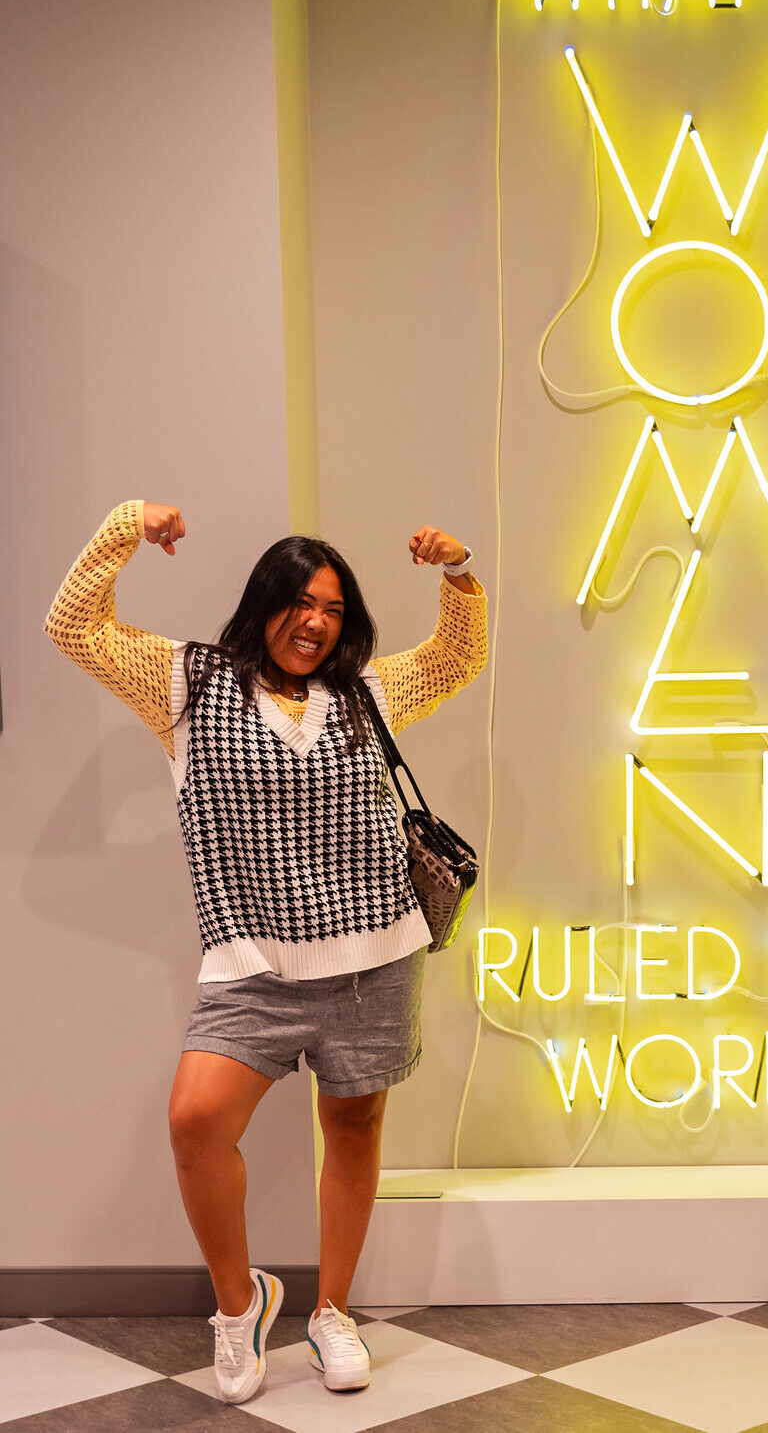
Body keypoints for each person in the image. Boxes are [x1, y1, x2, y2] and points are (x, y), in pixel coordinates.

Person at [45, 500, 487, 1404]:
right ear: (264, 602)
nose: (316, 621)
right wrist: (130, 523)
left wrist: (458, 573)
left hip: (374, 956)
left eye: (332, 608)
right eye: (299, 602)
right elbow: (74, 625)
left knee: (353, 1129)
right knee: (197, 1121)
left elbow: (456, 657)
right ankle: (238, 1308)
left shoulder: (364, 693)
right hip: (252, 967)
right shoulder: (188, 682)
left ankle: (331, 1314)